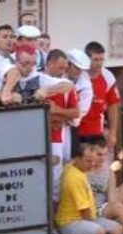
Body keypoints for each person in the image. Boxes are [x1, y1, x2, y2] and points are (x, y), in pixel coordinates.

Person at [44, 49, 80, 196]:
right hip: (38, 136)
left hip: (59, 137)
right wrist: (62, 116)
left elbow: (75, 113)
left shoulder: (67, 85)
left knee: (57, 176)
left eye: (65, 68)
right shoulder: (38, 81)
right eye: (60, 68)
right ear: (49, 64)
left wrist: (58, 111)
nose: (63, 71)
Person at [78, 42, 121, 153]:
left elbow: (113, 105)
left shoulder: (108, 76)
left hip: (96, 131)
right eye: (95, 59)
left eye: (101, 59)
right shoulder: (78, 74)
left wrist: (112, 133)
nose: (99, 63)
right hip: (76, 129)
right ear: (87, 59)